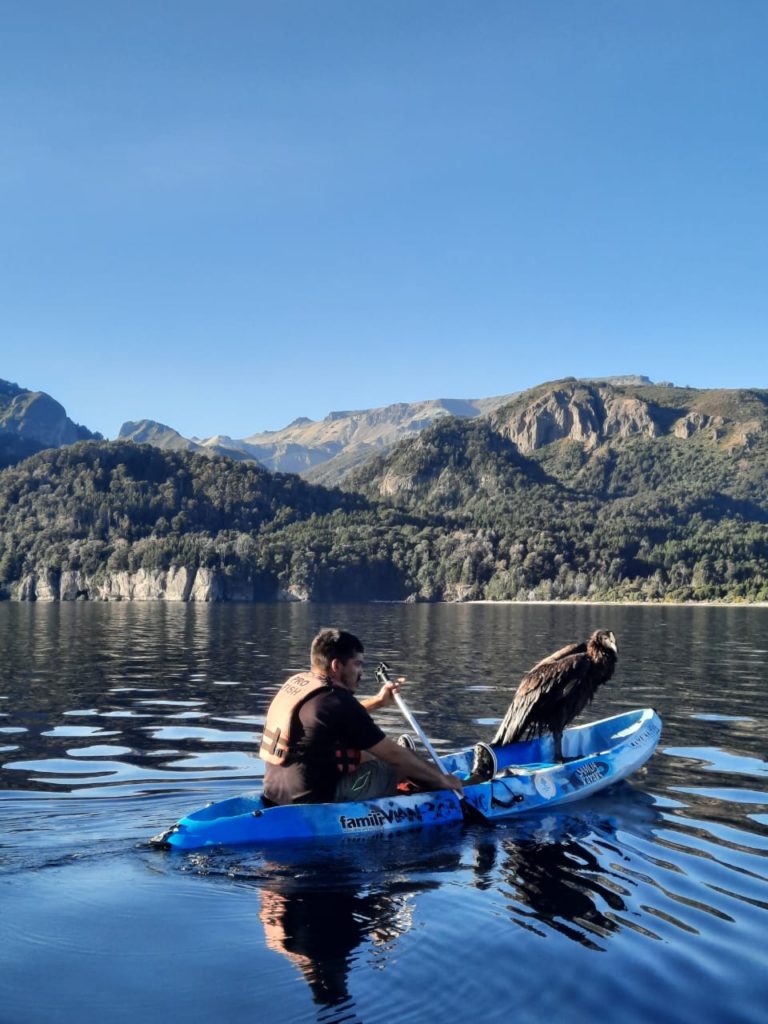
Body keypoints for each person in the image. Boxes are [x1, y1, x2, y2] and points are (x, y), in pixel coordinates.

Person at [260, 627, 464, 805]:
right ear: (337, 666)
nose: (361, 673)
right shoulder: (338, 702)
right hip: (314, 799)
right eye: (357, 665)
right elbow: (394, 756)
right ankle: (449, 790)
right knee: (401, 765)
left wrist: (378, 702)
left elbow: (333, 719)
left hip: (274, 792)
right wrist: (443, 779)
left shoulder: (300, 686)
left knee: (367, 754)